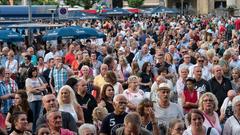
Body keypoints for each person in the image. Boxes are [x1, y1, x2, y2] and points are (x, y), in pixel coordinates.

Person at [25, 67, 47, 132]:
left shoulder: (39, 79)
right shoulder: (28, 80)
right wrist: (39, 89)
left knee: (37, 116)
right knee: (33, 116)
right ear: (30, 72)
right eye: (33, 71)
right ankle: (31, 130)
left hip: (39, 99)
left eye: (35, 71)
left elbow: (44, 87)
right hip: (32, 100)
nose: (35, 72)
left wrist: (36, 89)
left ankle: (35, 130)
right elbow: (30, 90)